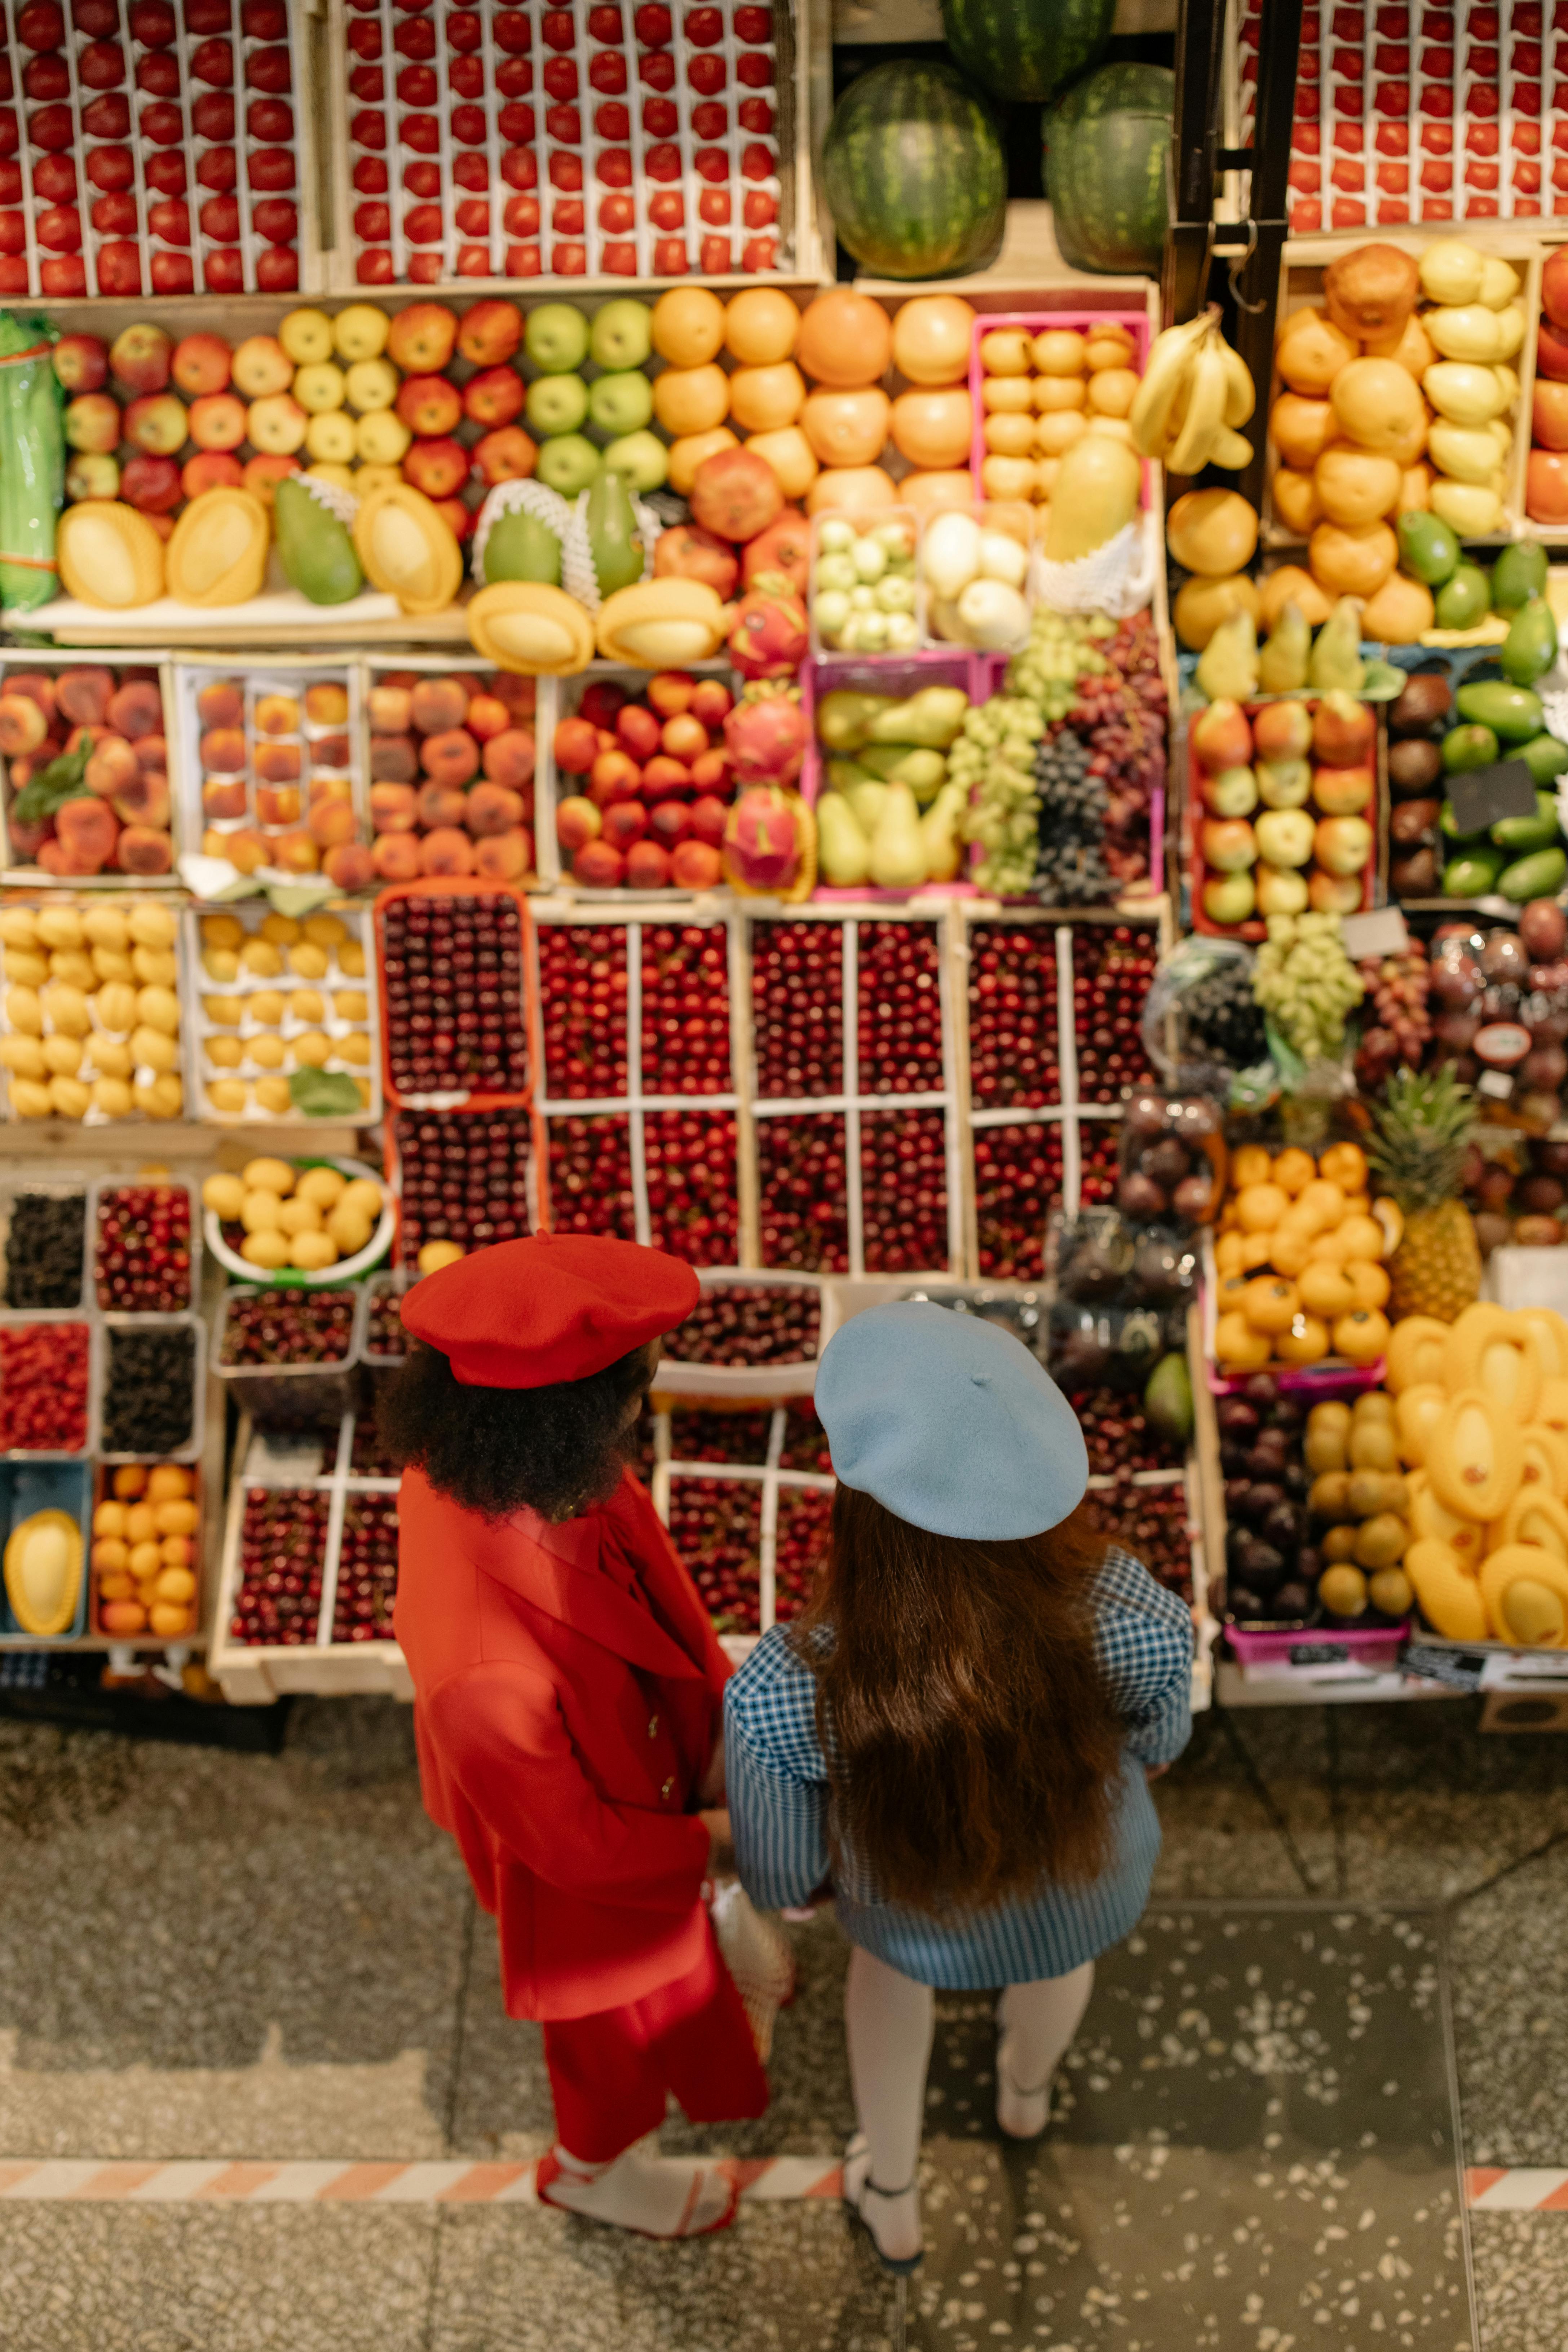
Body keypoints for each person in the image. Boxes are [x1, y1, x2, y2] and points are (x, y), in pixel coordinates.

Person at [726, 1301, 1192, 2274]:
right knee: (1060, 1966)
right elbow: (1161, 1739)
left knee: (889, 1992)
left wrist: (810, 1887)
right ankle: (1025, 2094)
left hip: (906, 1908)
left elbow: (783, 1875)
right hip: (1083, 1874)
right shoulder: (1139, 1614)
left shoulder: (785, 1686)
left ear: (856, 1502)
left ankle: (892, 2193)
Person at [383, 1232, 768, 2241]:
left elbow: (650, 1583)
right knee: (602, 2017)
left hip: (613, 1745)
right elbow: (577, 1847)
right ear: (568, 1424)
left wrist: (718, 1714)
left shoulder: (481, 1457)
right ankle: (591, 2166)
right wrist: (722, 1841)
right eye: (631, 1391)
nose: (643, 1406)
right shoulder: (487, 1670)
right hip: (567, 1837)